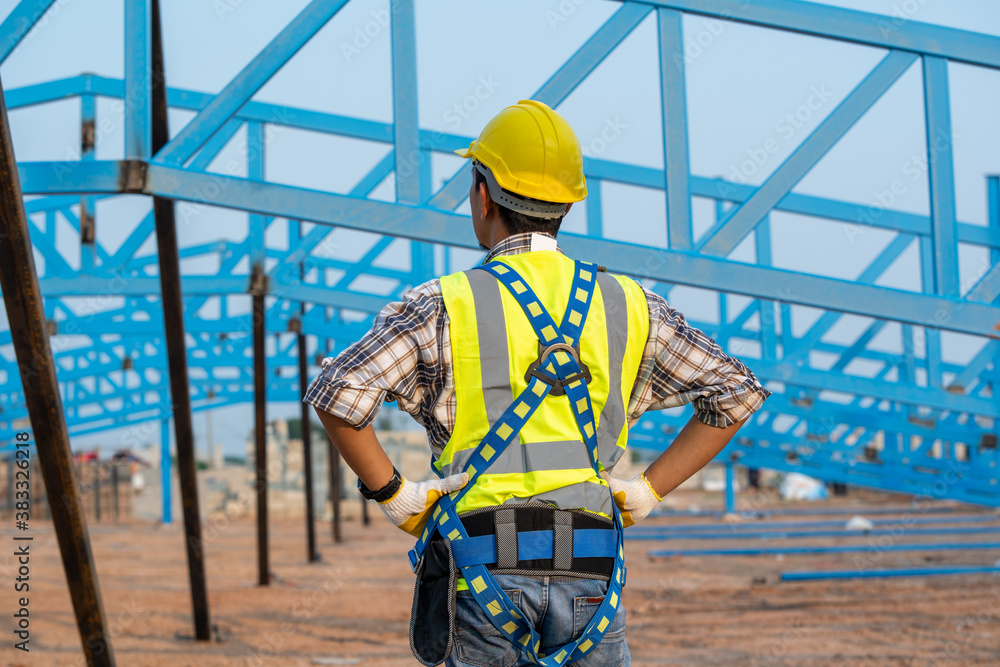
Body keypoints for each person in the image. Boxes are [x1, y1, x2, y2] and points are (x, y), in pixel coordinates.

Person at [306, 99, 770, 666]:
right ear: (568, 203)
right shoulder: (628, 303)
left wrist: (394, 494)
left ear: (482, 194)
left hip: (482, 565)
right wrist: (649, 489)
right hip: (592, 563)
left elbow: (338, 393)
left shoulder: (443, 305)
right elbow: (736, 394)